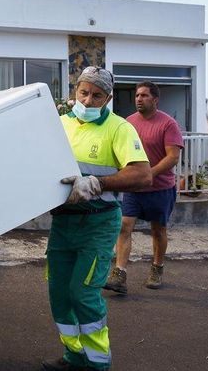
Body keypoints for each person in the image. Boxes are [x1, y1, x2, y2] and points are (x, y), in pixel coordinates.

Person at [42, 66, 152, 371]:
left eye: (97, 95)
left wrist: (97, 183)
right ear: (75, 91)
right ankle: (73, 356)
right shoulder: (59, 124)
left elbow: (142, 174)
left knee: (83, 294)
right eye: (84, 92)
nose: (89, 100)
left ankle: (97, 365)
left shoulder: (119, 128)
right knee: (60, 294)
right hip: (63, 223)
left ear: (108, 97)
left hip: (98, 223)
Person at [104, 81, 183, 293]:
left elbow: (173, 157)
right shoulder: (128, 123)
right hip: (133, 190)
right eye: (137, 95)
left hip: (160, 189)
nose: (139, 98)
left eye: (144, 95)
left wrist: (148, 174)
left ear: (155, 100)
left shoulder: (168, 124)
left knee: (158, 230)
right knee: (124, 226)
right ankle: (119, 273)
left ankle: (157, 268)